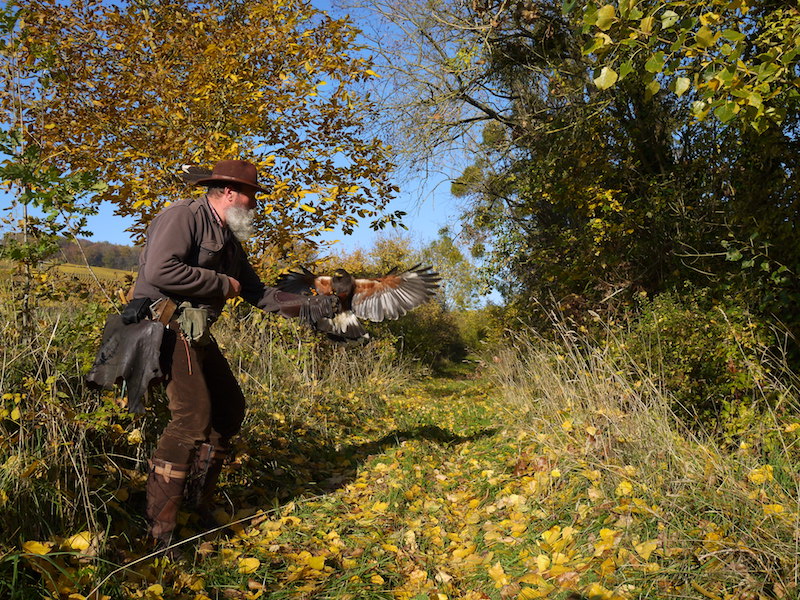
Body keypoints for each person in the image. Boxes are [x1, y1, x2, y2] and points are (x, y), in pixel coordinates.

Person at [130, 159, 335, 553]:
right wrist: (220, 282)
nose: (254, 204)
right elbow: (159, 271)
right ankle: (160, 534)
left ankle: (194, 508)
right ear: (227, 193)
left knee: (228, 410)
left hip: (194, 331)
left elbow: (259, 293)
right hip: (162, 326)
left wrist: (313, 307)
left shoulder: (229, 241)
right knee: (191, 419)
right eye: (251, 196)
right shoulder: (183, 216)